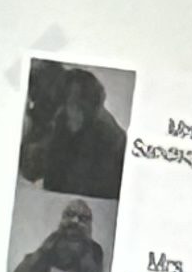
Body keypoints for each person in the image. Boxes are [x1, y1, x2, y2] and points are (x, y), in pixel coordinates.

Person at [22, 65, 127, 200]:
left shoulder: (110, 141)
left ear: (86, 106)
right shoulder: (64, 122)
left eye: (70, 103)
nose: (63, 110)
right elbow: (32, 169)